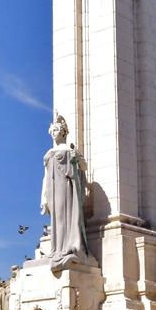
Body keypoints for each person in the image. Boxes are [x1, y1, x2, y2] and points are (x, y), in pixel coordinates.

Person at [40, 112, 89, 271]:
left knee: (65, 216)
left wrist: (78, 159)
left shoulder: (68, 150)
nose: (54, 133)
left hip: (65, 189)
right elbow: (45, 176)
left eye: (56, 130)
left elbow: (84, 167)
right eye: (52, 130)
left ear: (62, 132)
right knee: (56, 218)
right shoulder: (49, 154)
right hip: (52, 189)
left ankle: (67, 247)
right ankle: (56, 249)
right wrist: (43, 197)